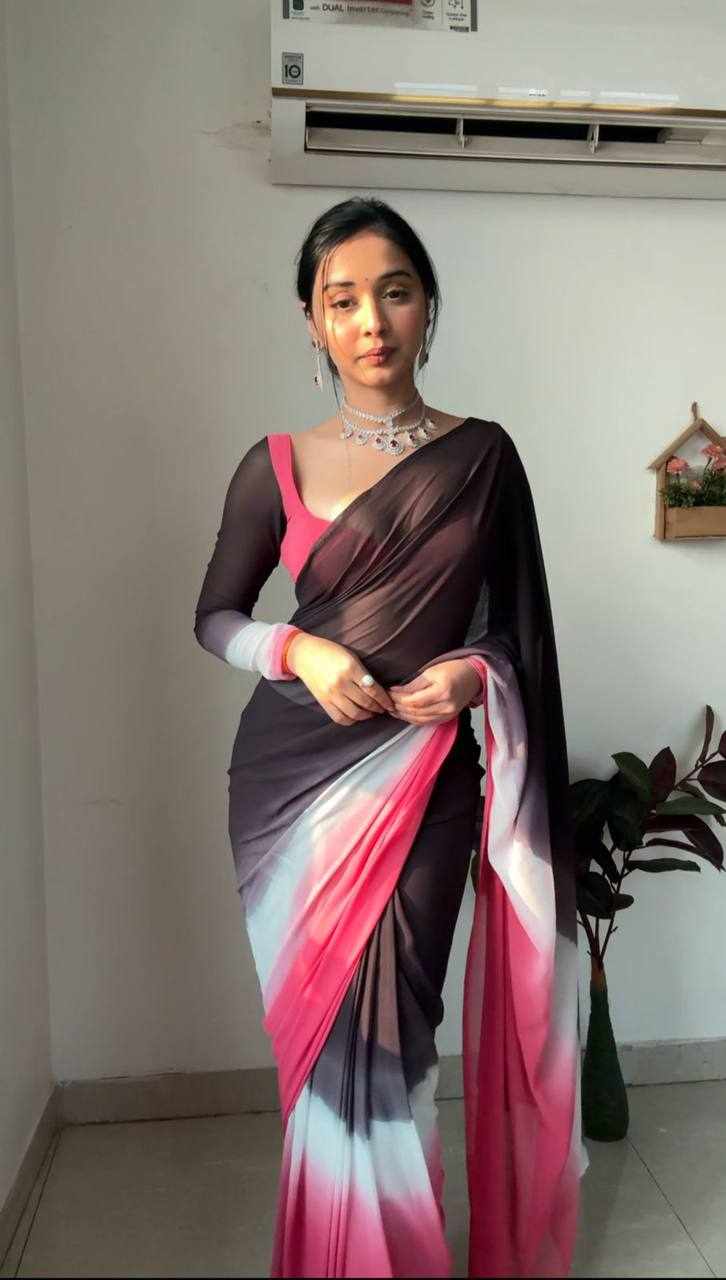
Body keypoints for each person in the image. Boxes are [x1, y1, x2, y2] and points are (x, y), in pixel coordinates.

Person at [194, 196, 588, 1279]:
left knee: (400, 1029)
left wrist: (472, 673)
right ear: (311, 321)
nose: (371, 320)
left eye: (395, 292)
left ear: (428, 307)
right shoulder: (274, 464)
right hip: (288, 793)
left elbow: (519, 630)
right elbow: (215, 617)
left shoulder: (483, 457)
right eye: (343, 300)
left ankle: (391, 1251)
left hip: (427, 782)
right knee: (323, 1039)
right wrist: (299, 652)